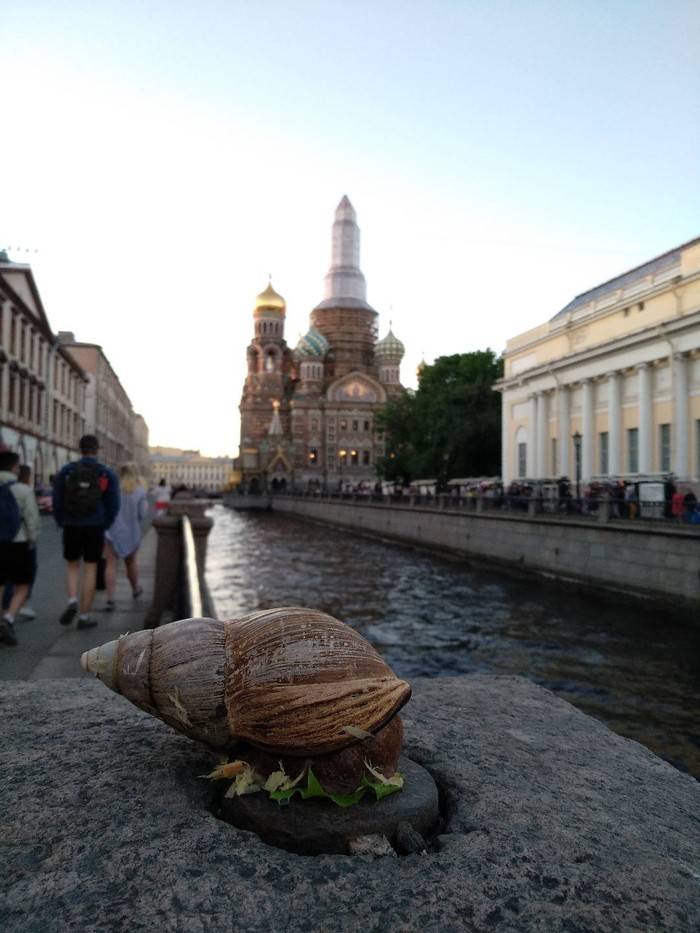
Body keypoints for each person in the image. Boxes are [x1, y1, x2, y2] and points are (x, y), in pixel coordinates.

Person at [52, 434, 120, 630]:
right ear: (97, 449)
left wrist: (62, 520)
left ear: (79, 449)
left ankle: (72, 599)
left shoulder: (67, 471)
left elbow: (57, 499)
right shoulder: (105, 473)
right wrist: (103, 524)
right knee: (91, 568)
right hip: (95, 526)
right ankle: (84, 615)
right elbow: (114, 504)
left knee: (72, 564)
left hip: (72, 524)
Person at [0, 451, 41, 645]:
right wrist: (32, 541)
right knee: (23, 585)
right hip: (19, 543)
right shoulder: (23, 490)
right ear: (15, 468)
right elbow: (32, 520)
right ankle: (8, 618)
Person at [103, 462, 149, 610]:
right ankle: (135, 589)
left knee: (111, 565)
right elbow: (143, 514)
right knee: (131, 563)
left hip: (112, 531)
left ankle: (110, 599)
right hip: (131, 532)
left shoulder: (114, 489)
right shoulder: (140, 492)